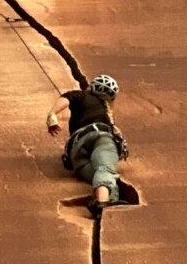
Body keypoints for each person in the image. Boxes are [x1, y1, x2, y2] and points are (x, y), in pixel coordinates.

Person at [47, 74, 129, 213]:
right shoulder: (105, 113)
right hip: (100, 137)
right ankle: (102, 203)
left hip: (76, 152)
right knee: (105, 170)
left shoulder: (80, 96)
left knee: (104, 177)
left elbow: (66, 99)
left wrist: (52, 115)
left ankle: (106, 207)